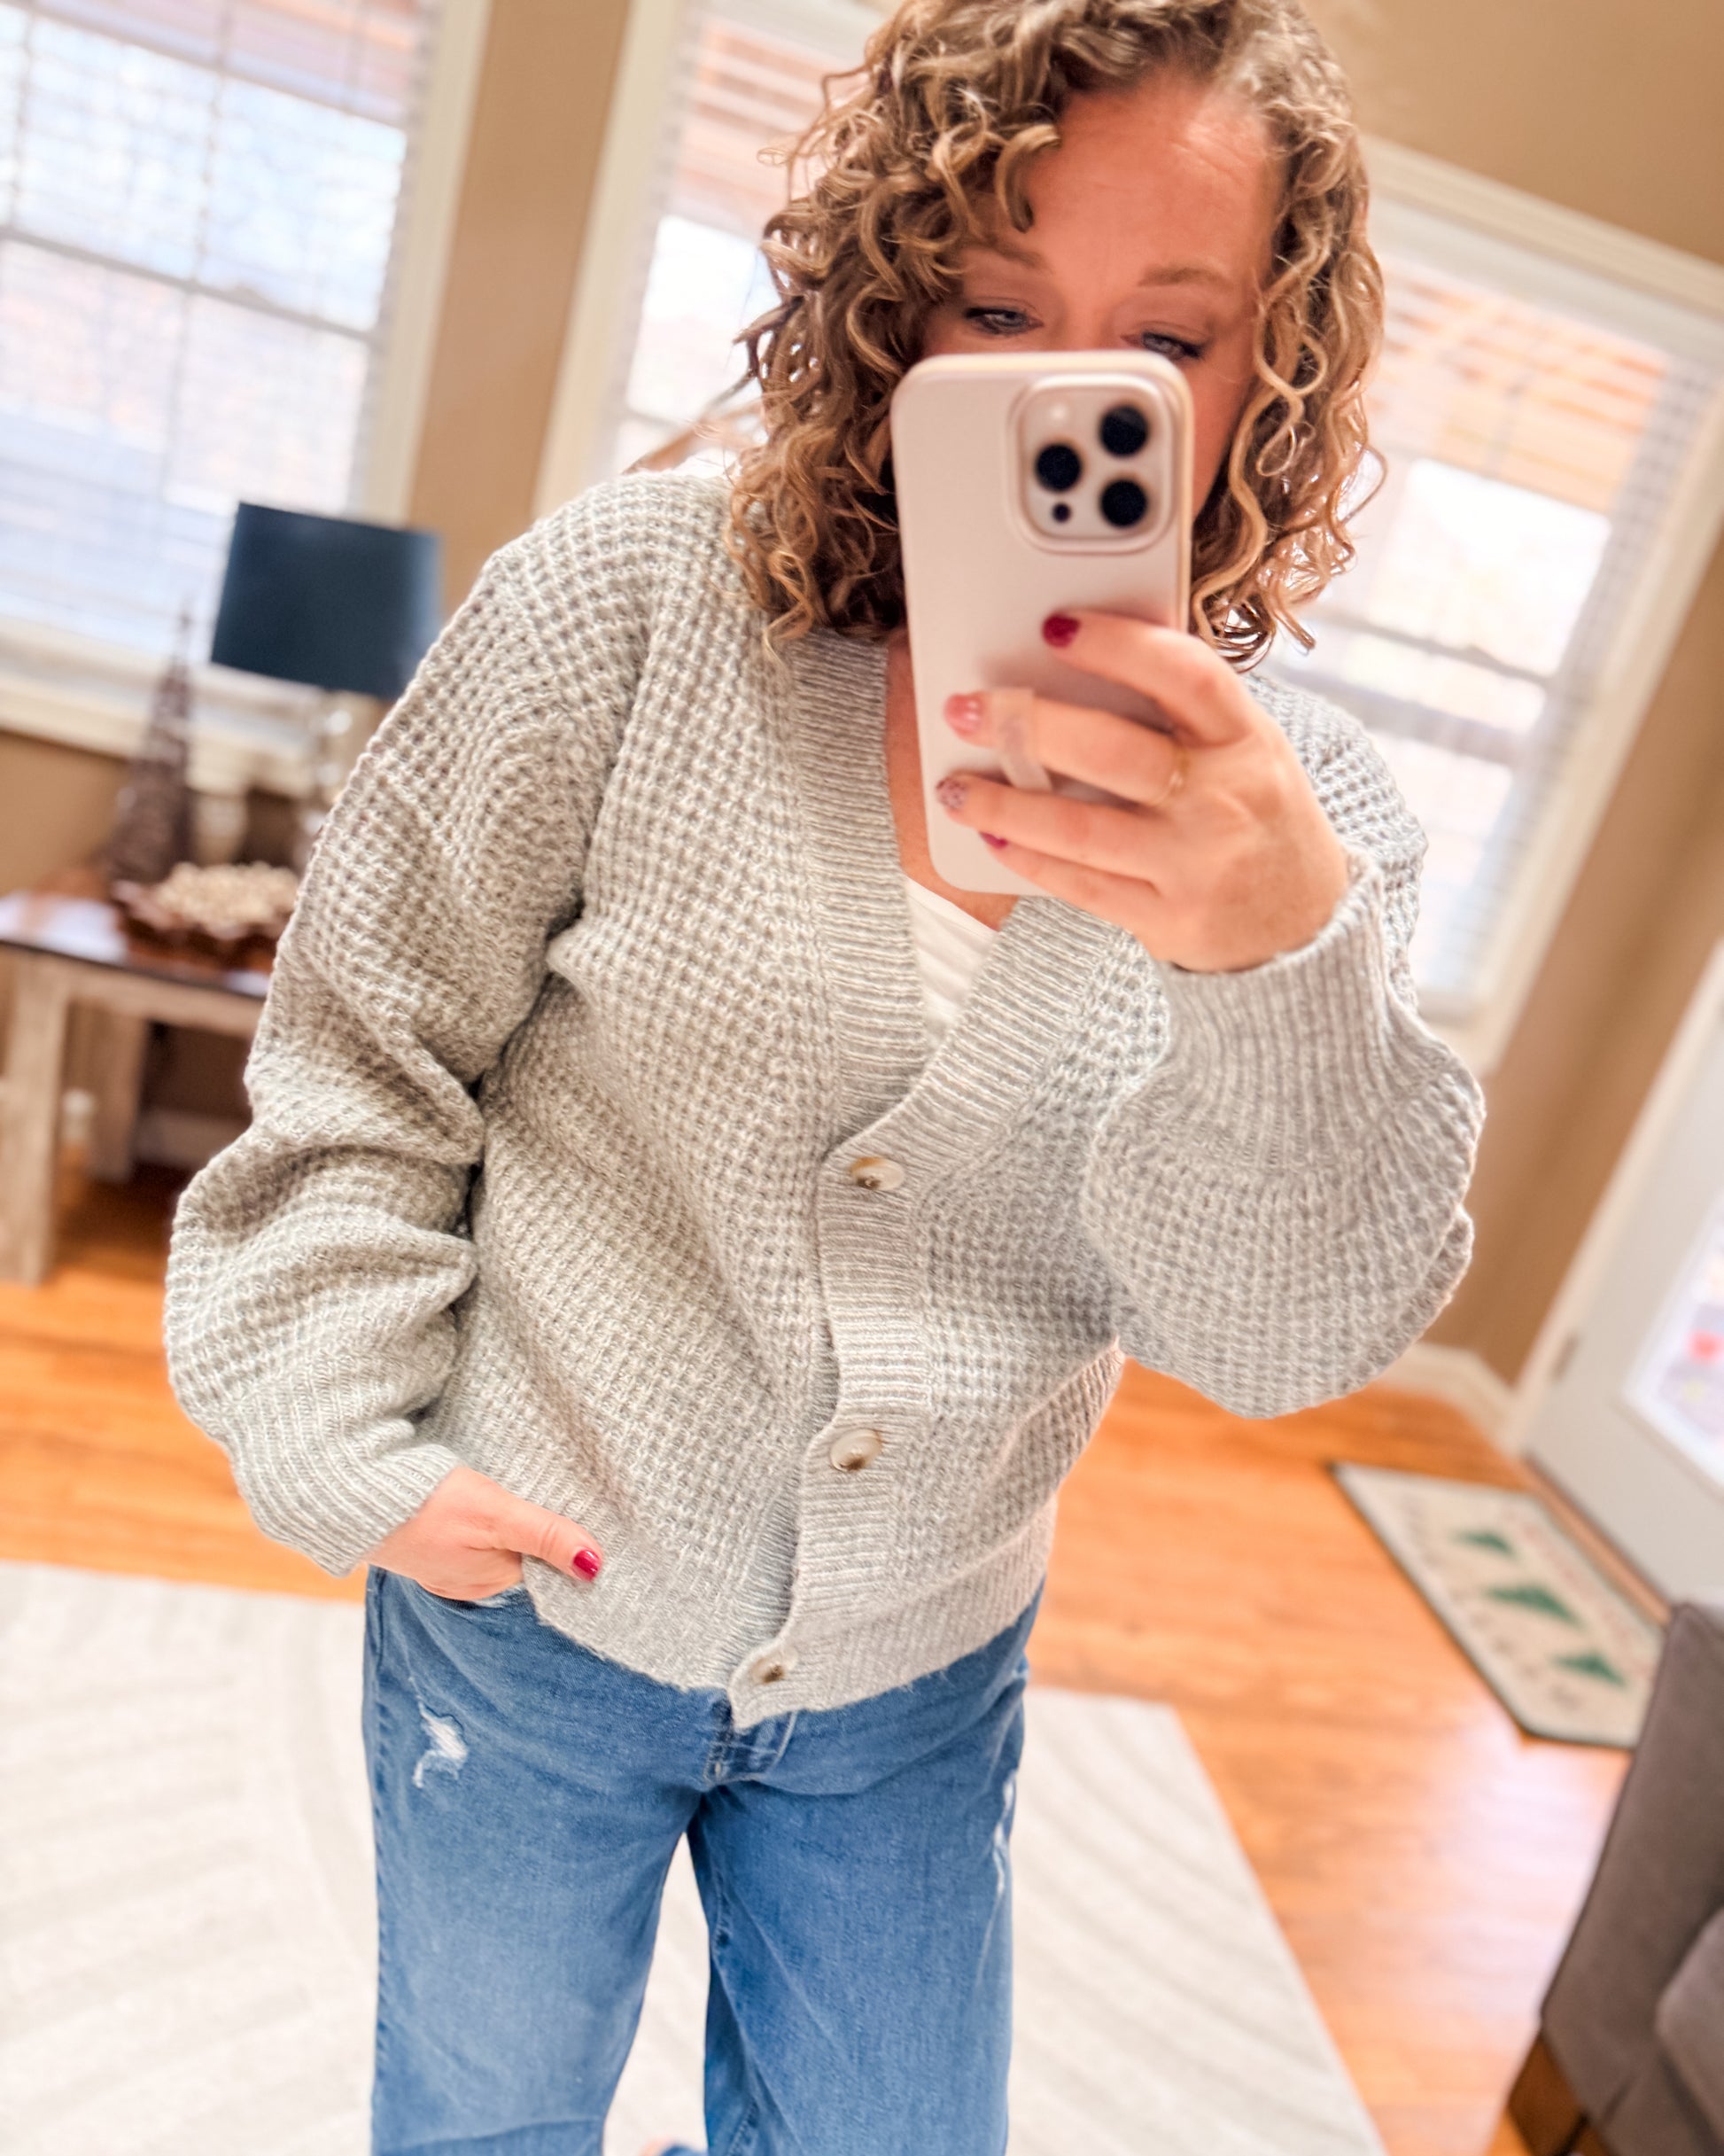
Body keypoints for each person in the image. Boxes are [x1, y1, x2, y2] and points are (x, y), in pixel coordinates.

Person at [164, 2, 1484, 2150]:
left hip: (911, 1677)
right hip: (535, 1595)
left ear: (1268, 379)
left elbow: (1271, 1337)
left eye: (1165, 343)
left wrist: (1277, 964)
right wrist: (341, 1424)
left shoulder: (1307, 827)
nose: (1073, 397)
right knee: (482, 2114)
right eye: (995, 306)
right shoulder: (625, 607)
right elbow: (365, 1040)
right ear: (889, 305)